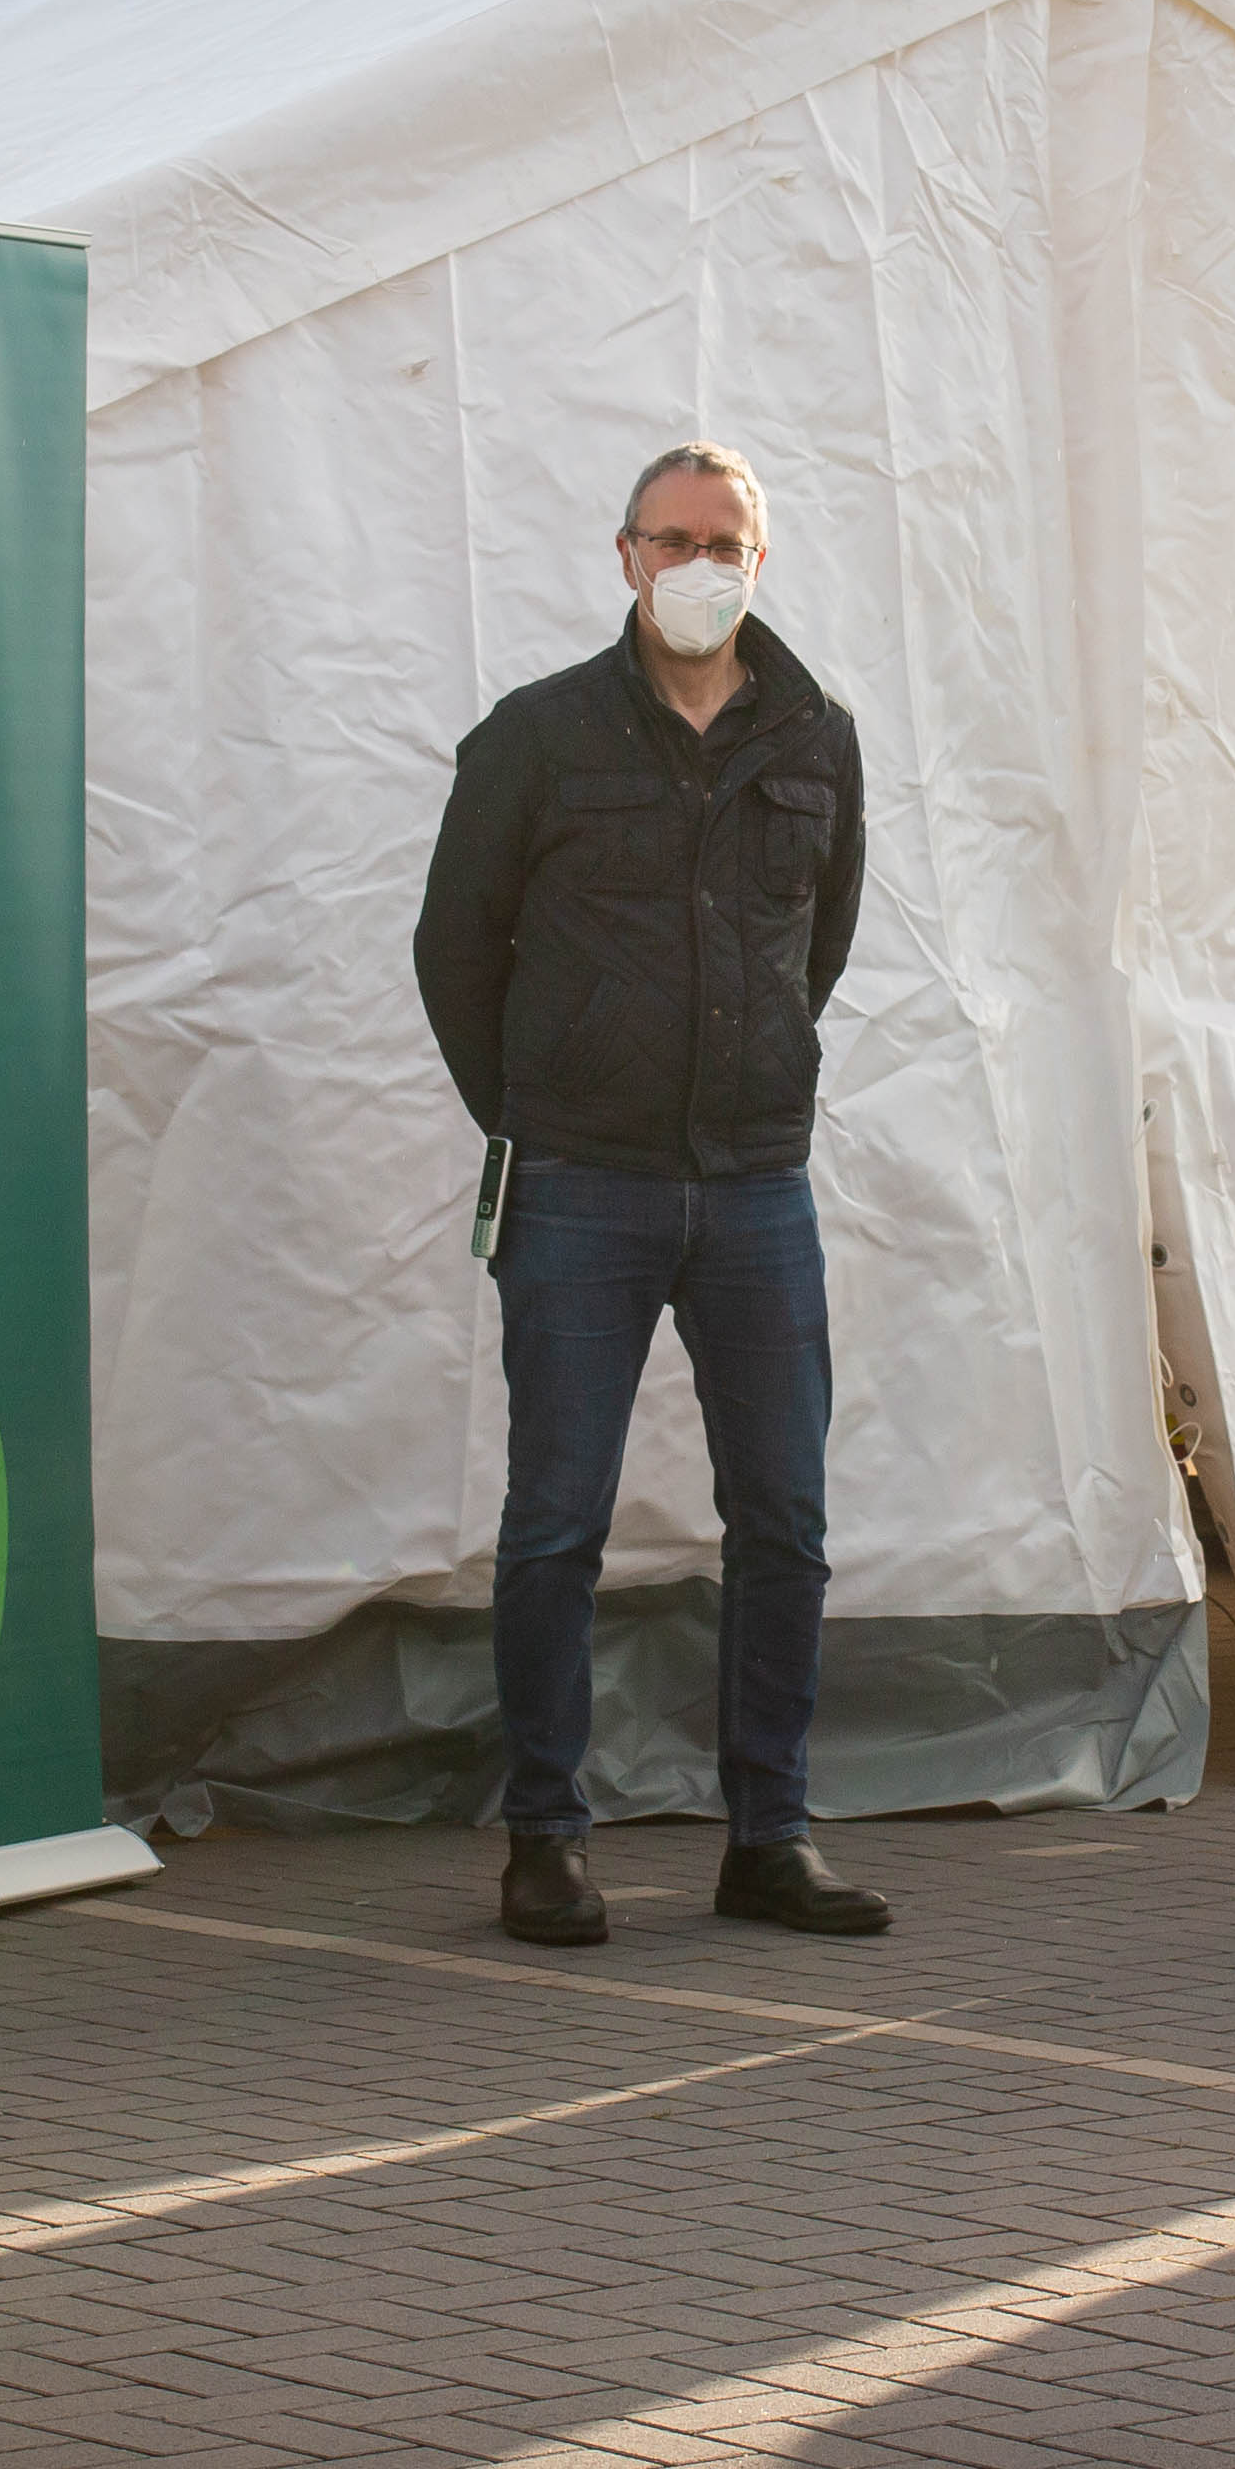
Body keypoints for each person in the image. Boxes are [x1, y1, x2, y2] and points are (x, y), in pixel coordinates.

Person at [412, 441, 890, 1951]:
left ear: (765, 558)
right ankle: (546, 1838)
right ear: (623, 555)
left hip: (755, 1185)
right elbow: (453, 950)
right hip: (579, 1186)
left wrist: (745, 1083)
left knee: (787, 1521)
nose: (700, 565)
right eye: (672, 539)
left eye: (725, 541)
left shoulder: (815, 738)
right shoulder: (537, 739)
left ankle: (770, 1833)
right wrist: (540, 1108)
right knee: (555, 1521)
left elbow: (818, 946)